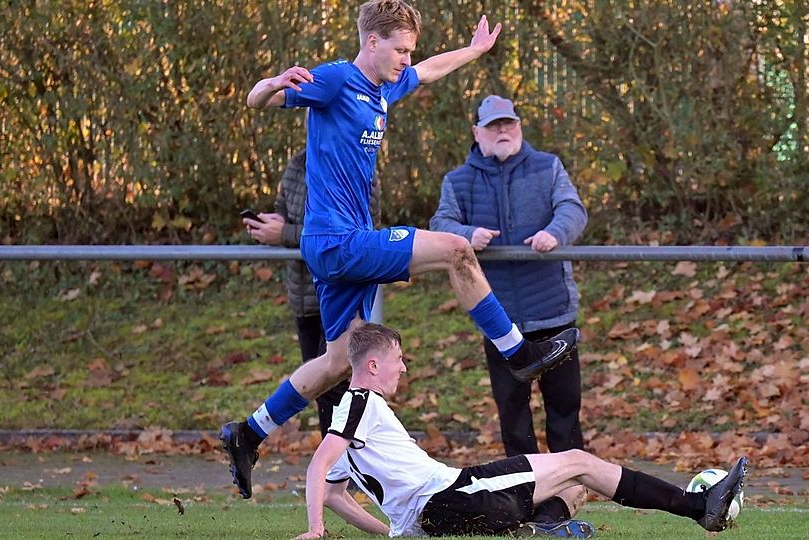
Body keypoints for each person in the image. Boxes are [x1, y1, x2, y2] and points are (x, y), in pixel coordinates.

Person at [222, 0, 579, 499]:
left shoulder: (386, 86)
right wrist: (271, 84)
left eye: (410, 50)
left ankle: (248, 432)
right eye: (401, 50)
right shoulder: (333, 80)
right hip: (340, 241)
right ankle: (517, 352)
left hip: (337, 246)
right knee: (457, 248)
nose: (408, 60)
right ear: (372, 42)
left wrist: (475, 51)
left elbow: (430, 70)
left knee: (339, 360)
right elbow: (256, 101)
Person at [295, 323, 748, 538]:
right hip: (454, 495)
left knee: (575, 490)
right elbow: (320, 465)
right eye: (398, 360)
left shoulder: (349, 415)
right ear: (373, 366)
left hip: (437, 517)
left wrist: (392, 532)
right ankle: (699, 506)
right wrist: (315, 529)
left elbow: (335, 492)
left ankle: (543, 530)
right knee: (579, 463)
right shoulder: (360, 404)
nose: (404, 368)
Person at [430, 95, 588, 457]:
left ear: (519, 126)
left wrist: (556, 233)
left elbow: (572, 209)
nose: (503, 131)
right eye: (493, 125)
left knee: (565, 410)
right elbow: (441, 224)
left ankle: (571, 485)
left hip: (554, 311)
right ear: (477, 132)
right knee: (513, 414)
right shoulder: (458, 181)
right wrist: (468, 234)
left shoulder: (548, 167)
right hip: (497, 317)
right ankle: (525, 488)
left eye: (509, 123)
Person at [243, 149, 377, 435]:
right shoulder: (297, 164)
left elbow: (356, 230)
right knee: (319, 387)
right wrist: (271, 224)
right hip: (304, 295)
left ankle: (344, 467)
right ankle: (335, 469)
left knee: (337, 383)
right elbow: (284, 207)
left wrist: (285, 235)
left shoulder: (356, 164)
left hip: (341, 295)